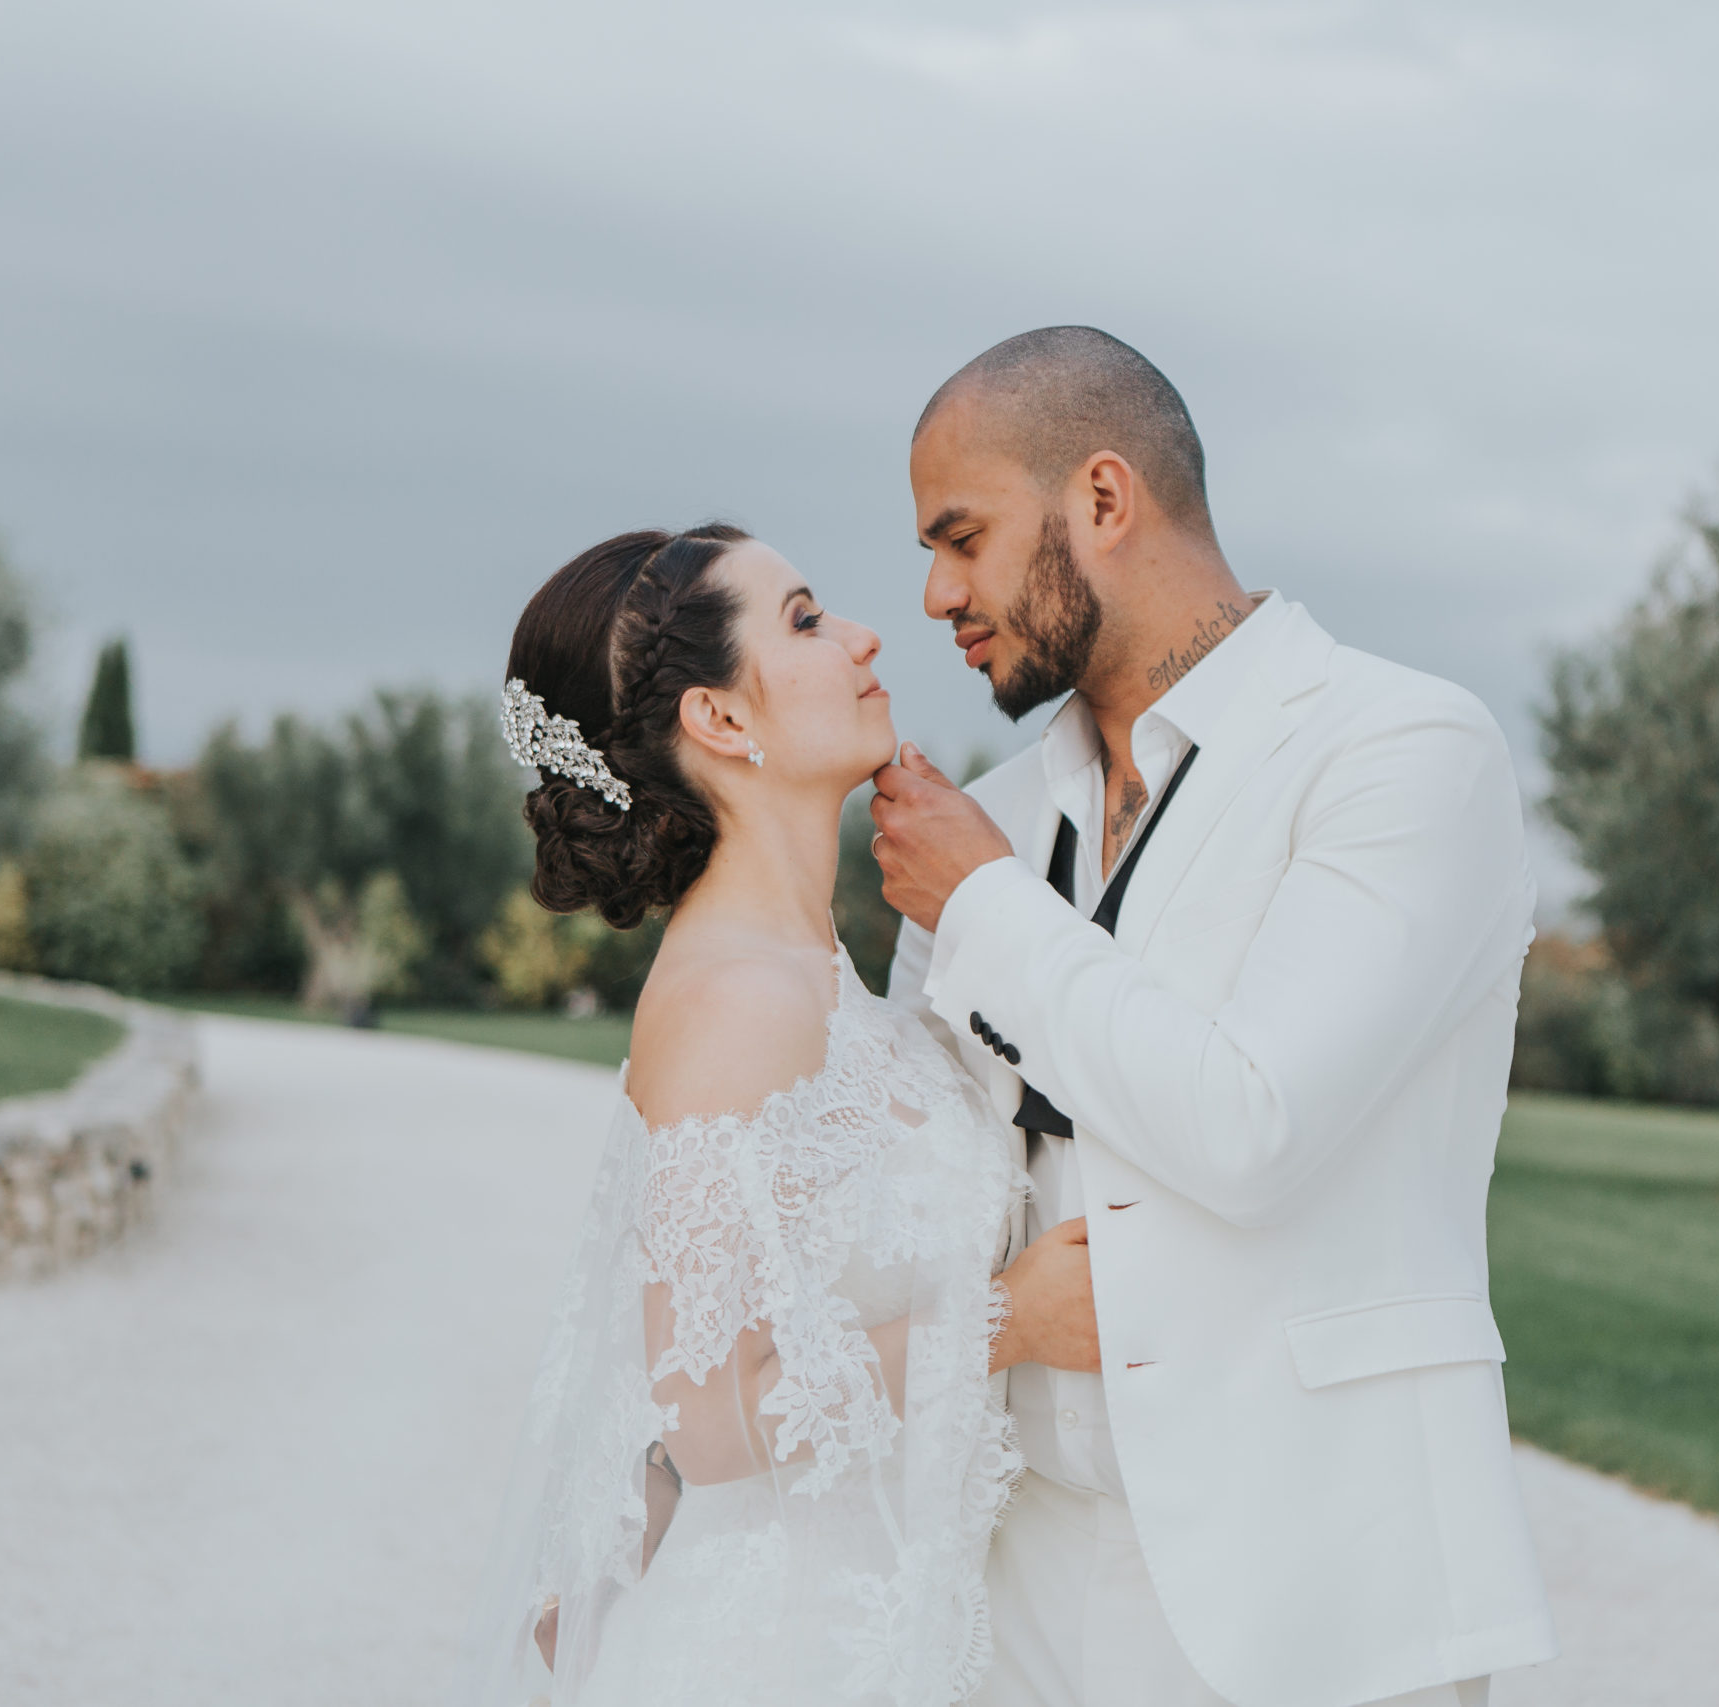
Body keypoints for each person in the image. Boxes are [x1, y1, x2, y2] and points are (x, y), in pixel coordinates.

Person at [873, 327, 1556, 1707]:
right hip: (1015, 1578)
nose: (937, 592)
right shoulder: (990, 820)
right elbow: (914, 1197)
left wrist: (989, 907)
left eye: (964, 535)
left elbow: (1257, 1121)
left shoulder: (1403, 749)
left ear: (1105, 501)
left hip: (1317, 1586)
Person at [452, 524, 1098, 1706]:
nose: (861, 636)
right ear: (721, 719)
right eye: (803, 620)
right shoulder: (736, 998)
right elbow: (707, 1416)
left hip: (889, 1626)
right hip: (782, 1650)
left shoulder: (819, 974)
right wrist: (1010, 1319)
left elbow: (714, 1341)